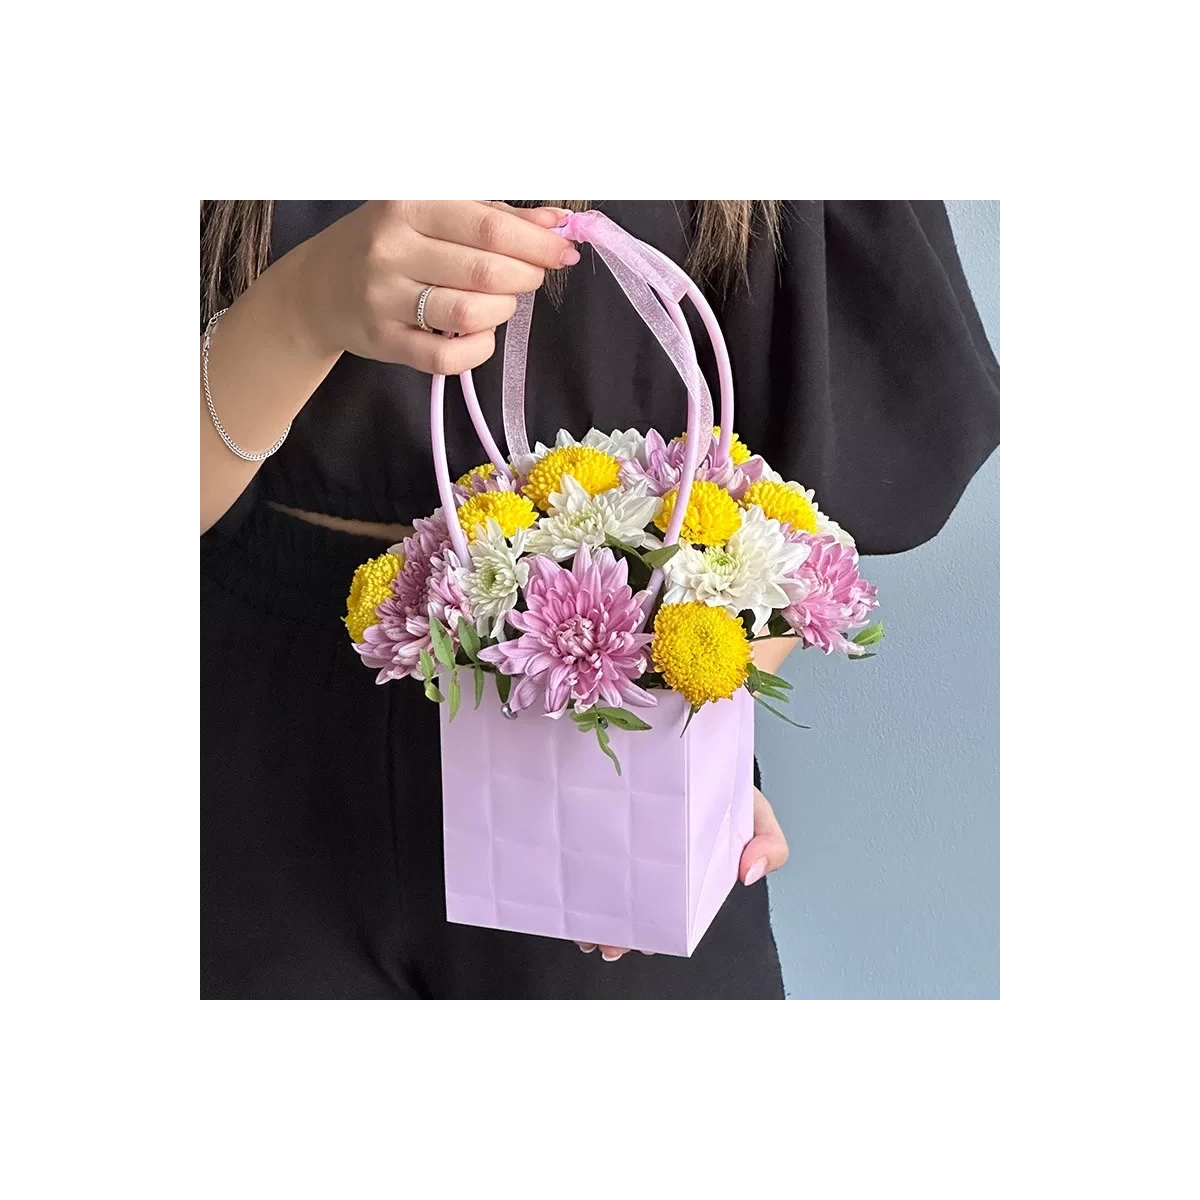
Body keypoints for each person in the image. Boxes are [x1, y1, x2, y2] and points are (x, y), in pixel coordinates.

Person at [201, 200, 999, 1000]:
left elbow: (831, 479)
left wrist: (689, 727)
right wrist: (299, 311)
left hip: (618, 698)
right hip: (253, 735)